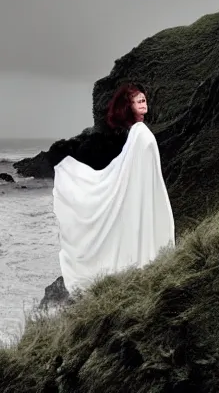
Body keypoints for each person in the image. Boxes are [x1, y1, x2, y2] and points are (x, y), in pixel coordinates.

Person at [53, 83, 175, 294]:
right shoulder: (138, 133)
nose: (144, 104)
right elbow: (130, 170)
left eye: (144, 100)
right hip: (143, 197)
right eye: (138, 101)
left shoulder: (139, 132)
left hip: (145, 195)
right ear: (128, 107)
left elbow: (140, 171)